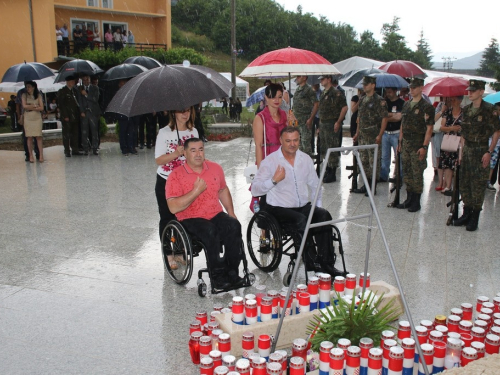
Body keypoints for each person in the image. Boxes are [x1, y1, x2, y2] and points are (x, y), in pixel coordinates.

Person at [251, 126, 343, 277]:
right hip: (278, 208)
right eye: (288, 141)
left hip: (302, 206)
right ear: (281, 141)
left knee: (323, 216)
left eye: (295, 140)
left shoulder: (305, 159)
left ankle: (327, 264)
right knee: (301, 220)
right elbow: (255, 190)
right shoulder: (270, 161)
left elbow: (315, 185)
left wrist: (316, 208)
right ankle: (312, 263)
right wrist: (274, 180)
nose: (292, 144)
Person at [166, 138, 244, 289]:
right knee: (210, 231)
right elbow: (173, 207)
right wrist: (196, 191)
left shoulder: (215, 168)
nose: (198, 154)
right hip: (189, 218)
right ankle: (217, 277)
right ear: (185, 153)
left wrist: (231, 212)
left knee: (234, 225)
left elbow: (222, 190)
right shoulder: (175, 175)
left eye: (201, 149)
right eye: (193, 150)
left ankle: (232, 272)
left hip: (214, 213)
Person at [453, 80, 500, 231]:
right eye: (469, 90)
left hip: (481, 150)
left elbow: (496, 132)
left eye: (473, 90)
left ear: (481, 91)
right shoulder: (466, 110)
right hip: (467, 150)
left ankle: (475, 216)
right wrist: (461, 152)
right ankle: (466, 213)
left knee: (478, 184)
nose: (470, 93)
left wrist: (489, 152)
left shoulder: (489, 110)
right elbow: (463, 133)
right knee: (465, 183)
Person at [155, 107, 198, 270]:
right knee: (167, 218)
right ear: (173, 113)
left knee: (183, 217)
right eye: (181, 111)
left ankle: (180, 252)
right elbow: (158, 160)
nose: (185, 114)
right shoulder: (164, 133)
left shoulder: (193, 132)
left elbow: (196, 156)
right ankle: (168, 254)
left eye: (187, 110)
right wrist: (176, 153)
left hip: (185, 182)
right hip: (165, 181)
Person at [397, 77, 435, 212]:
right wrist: (400, 142)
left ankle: (416, 201)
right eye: (410, 88)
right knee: (407, 171)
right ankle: (409, 198)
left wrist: (424, 146)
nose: (411, 90)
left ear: (421, 88)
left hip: (418, 143)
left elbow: (429, 129)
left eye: (414, 88)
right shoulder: (406, 105)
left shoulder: (427, 107)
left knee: (417, 172)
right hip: (406, 142)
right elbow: (403, 124)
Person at [352, 76, 388, 195]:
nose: (364, 86)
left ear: (373, 85)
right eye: (364, 84)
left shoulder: (379, 100)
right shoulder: (362, 99)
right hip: (363, 136)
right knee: (364, 161)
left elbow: (384, 118)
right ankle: (366, 185)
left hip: (373, 135)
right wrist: (357, 132)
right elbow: (359, 118)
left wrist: (380, 134)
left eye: (367, 84)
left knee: (374, 162)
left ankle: (372, 187)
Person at [318, 75, 348, 183]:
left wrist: (338, 122)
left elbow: (344, 107)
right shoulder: (323, 93)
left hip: (332, 124)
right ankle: (328, 169)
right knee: (325, 148)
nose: (321, 81)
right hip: (323, 125)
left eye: (322, 79)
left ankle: (332, 172)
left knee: (332, 148)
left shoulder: (336, 93)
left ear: (328, 79)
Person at [253, 83, 288, 168]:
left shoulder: (285, 115)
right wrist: (260, 170)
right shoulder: (260, 118)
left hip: (284, 156)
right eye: (273, 97)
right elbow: (258, 145)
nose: (277, 100)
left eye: (279, 97)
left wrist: (293, 123)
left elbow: (291, 138)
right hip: (267, 157)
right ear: (266, 97)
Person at [438, 96, 462, 195]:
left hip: (460, 141)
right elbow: (441, 128)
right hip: (448, 141)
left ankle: (456, 186)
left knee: (457, 164)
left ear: (460, 100)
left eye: (455, 99)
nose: (453, 101)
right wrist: (452, 128)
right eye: (452, 99)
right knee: (447, 164)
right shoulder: (447, 112)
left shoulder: (465, 113)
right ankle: (448, 186)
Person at [380, 87, 404, 182]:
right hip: (385, 133)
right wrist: (391, 116)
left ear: (395, 91)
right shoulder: (384, 103)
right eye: (387, 92)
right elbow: (381, 116)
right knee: (384, 156)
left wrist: (387, 117)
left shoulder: (401, 103)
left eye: (390, 92)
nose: (388, 94)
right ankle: (383, 175)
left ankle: (399, 176)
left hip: (396, 132)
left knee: (398, 156)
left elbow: (399, 117)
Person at [293, 75, 319, 157]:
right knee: (298, 144)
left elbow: (316, 104)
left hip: (305, 120)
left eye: (299, 76)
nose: (297, 78)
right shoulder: (297, 89)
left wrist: (311, 119)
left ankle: (307, 165)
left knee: (306, 144)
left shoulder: (309, 90)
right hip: (297, 121)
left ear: (304, 77)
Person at [57, 75, 81, 157]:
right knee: (66, 134)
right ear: (68, 82)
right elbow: (61, 105)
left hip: (75, 115)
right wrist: (65, 116)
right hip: (67, 116)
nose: (73, 83)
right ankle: (67, 150)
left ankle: (75, 149)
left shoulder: (75, 91)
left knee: (75, 133)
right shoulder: (62, 91)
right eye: (71, 82)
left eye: (74, 81)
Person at [21, 81, 44, 163]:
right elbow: (24, 106)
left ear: (33, 87)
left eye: (29, 87)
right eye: (26, 87)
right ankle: (30, 155)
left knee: (38, 136)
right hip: (28, 117)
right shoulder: (24, 95)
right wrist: (34, 106)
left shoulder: (38, 95)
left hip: (37, 117)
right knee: (29, 137)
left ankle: (41, 155)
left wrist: (31, 106)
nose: (28, 88)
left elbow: (41, 107)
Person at [78, 74, 101, 155]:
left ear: (90, 80)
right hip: (84, 113)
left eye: (87, 79)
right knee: (84, 132)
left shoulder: (95, 88)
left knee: (94, 131)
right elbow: (79, 102)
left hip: (93, 113)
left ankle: (95, 148)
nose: (86, 81)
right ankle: (85, 148)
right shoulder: (80, 89)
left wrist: (86, 95)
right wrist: (82, 111)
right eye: (84, 80)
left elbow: (95, 99)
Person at [433, 97, 449, 190]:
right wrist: (442, 111)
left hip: (449, 134)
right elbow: (433, 119)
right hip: (438, 133)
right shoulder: (440, 105)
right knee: (438, 157)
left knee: (448, 158)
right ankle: (440, 181)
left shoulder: (456, 106)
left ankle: (447, 183)